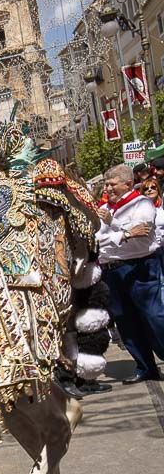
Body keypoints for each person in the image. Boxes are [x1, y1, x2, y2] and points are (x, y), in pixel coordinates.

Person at [96, 163, 164, 384]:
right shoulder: (106, 210)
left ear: (127, 183)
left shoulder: (141, 204)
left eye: (112, 184)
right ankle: (145, 367)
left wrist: (117, 229)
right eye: (106, 184)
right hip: (112, 272)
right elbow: (97, 240)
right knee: (126, 322)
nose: (107, 188)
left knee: (154, 316)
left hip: (139, 267)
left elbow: (142, 232)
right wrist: (123, 233)